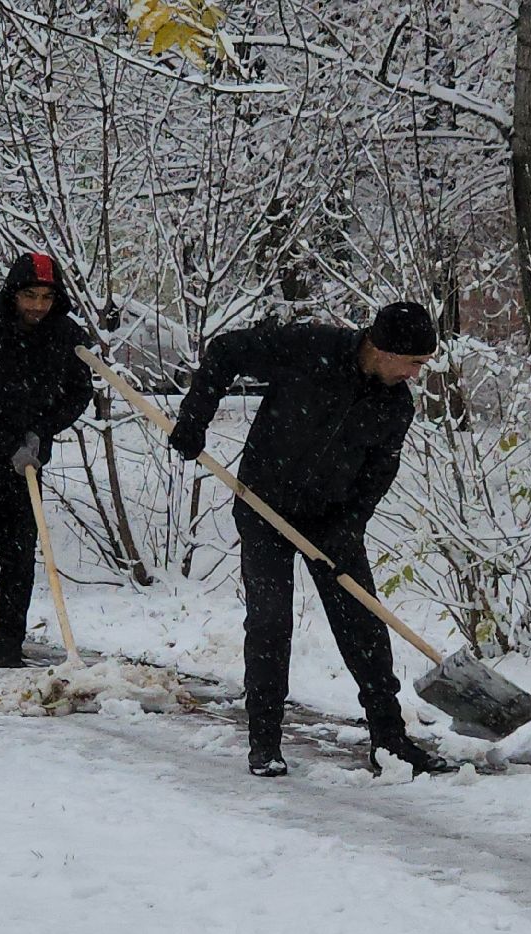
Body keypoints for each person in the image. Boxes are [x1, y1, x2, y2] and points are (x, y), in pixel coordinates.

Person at [169, 302, 458, 778]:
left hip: (330, 519)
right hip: (264, 504)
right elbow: (226, 351)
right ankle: (265, 741)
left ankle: (389, 741)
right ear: (383, 348)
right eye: (413, 362)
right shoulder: (309, 349)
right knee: (270, 620)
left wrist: (348, 527)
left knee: (362, 622)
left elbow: (378, 474)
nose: (415, 374)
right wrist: (195, 418)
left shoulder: (395, 405)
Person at [0, 252, 93, 681]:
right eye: (30, 296)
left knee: (20, 556)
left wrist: (41, 431)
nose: (38, 306)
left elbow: (79, 391)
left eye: (46, 297)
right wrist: (7, 444)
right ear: (13, 293)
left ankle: (8, 650)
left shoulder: (63, 335)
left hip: (26, 462)